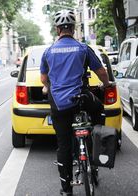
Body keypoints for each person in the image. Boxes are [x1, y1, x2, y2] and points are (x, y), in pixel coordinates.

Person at [40, 10, 111, 196]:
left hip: (59, 104)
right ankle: (97, 143)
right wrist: (106, 84)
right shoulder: (83, 48)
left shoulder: (48, 52)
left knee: (63, 145)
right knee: (99, 109)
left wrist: (47, 87)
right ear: (74, 29)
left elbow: (43, 79)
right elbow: (101, 72)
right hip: (81, 99)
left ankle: (66, 190)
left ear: (57, 30)